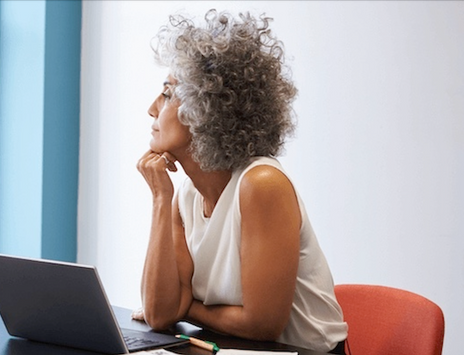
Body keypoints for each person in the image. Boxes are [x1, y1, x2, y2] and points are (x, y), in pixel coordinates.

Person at [135, 9, 348, 354]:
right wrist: (161, 198)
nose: (151, 109)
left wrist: (186, 309)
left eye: (167, 93)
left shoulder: (262, 185)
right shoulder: (185, 195)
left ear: (206, 106)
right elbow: (159, 314)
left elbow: (262, 324)